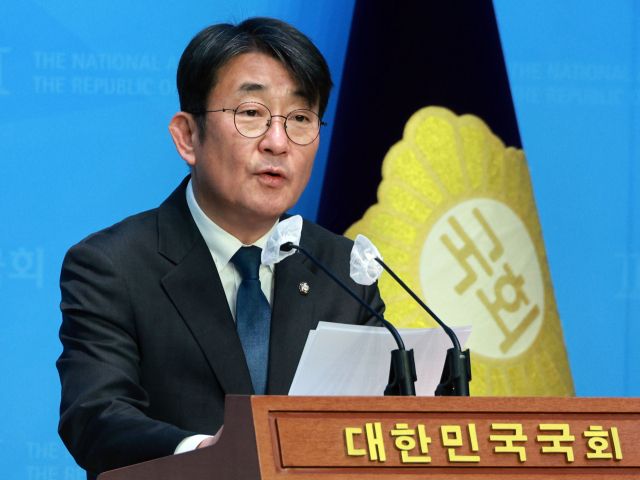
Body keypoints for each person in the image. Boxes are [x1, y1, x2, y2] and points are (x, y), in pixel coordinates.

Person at [56, 17, 384, 479]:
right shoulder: (113, 265)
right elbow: (95, 417)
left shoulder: (343, 269)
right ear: (188, 136)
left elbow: (385, 418)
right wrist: (204, 451)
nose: (277, 142)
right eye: (251, 113)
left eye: (300, 118)